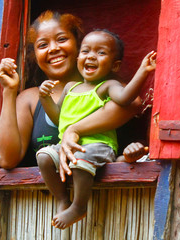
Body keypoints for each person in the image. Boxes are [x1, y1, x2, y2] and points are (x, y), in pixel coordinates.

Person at [36, 29, 156, 229]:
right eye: (85, 51)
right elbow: (59, 119)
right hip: (67, 147)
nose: (91, 56)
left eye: (100, 53)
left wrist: (143, 70)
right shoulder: (70, 88)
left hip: (98, 146)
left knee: (82, 160)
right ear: (77, 58)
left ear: (115, 65)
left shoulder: (107, 86)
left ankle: (79, 206)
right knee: (44, 157)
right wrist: (45, 98)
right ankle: (63, 199)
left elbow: (126, 98)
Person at [0, 11, 140, 170]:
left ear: (78, 44)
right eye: (43, 45)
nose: (53, 48)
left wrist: (73, 129)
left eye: (62, 39)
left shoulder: (106, 87)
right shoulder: (30, 99)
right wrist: (9, 90)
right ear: (34, 55)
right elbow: (7, 159)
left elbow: (132, 103)